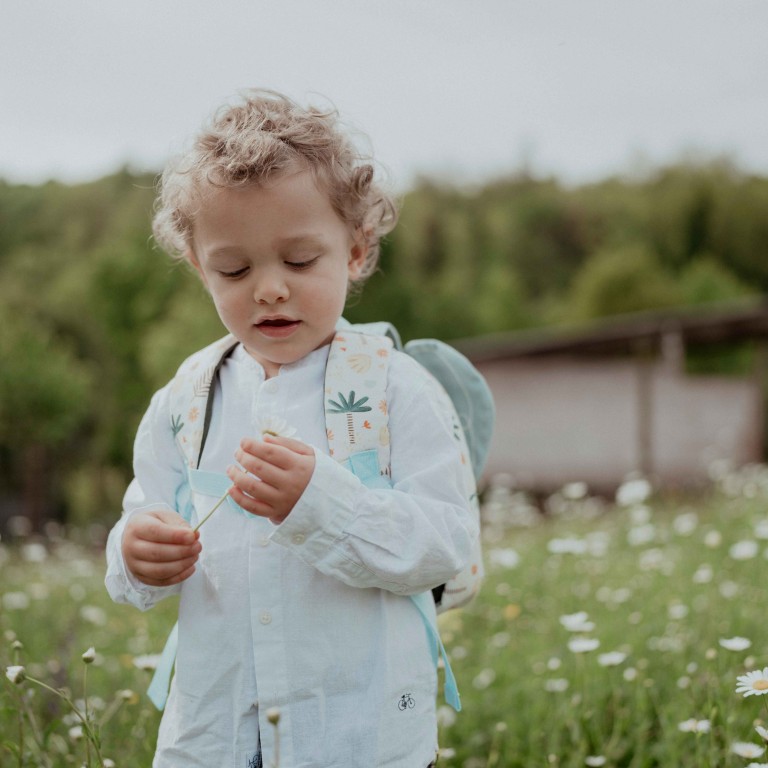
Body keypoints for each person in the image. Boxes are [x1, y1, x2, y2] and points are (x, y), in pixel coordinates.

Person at [105, 88, 477, 768]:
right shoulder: (187, 399)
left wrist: (320, 504)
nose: (269, 288)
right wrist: (136, 555)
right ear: (198, 265)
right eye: (234, 268)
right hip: (214, 732)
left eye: (300, 262)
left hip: (354, 732)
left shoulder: (395, 388)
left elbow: (445, 546)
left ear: (357, 251)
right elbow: (146, 514)